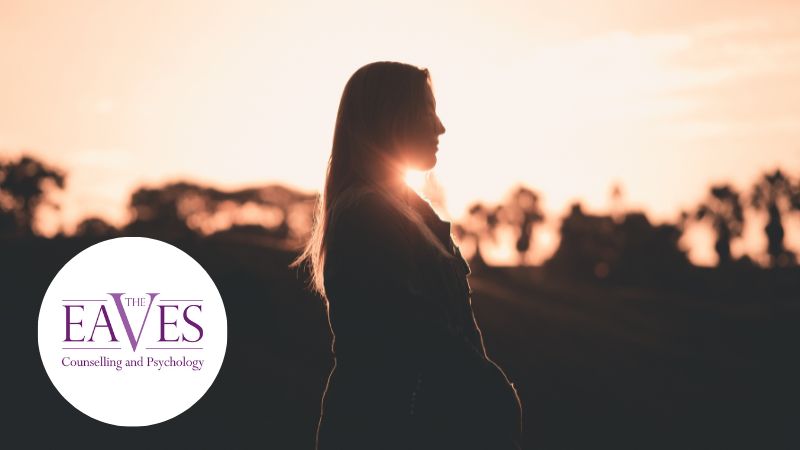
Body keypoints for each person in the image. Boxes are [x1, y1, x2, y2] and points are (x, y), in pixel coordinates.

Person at [291, 61, 523, 449]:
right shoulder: (367, 214)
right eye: (427, 111)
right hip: (385, 431)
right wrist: (492, 397)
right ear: (391, 118)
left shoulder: (411, 212)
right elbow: (415, 336)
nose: (440, 127)